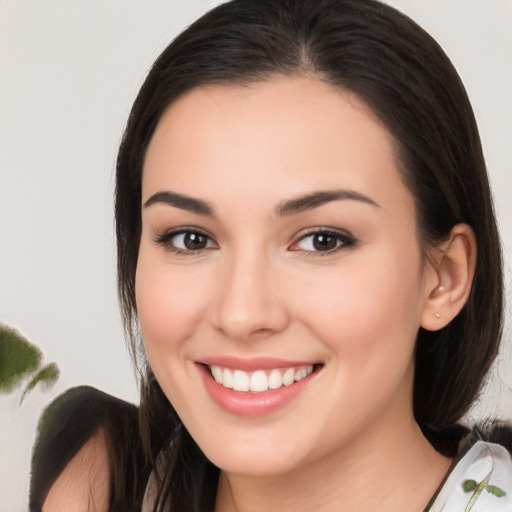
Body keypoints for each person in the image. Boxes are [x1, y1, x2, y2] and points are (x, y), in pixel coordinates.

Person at [30, 0, 512, 511]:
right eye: (191, 238)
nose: (241, 314)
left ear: (444, 276)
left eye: (321, 240)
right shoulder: (99, 485)